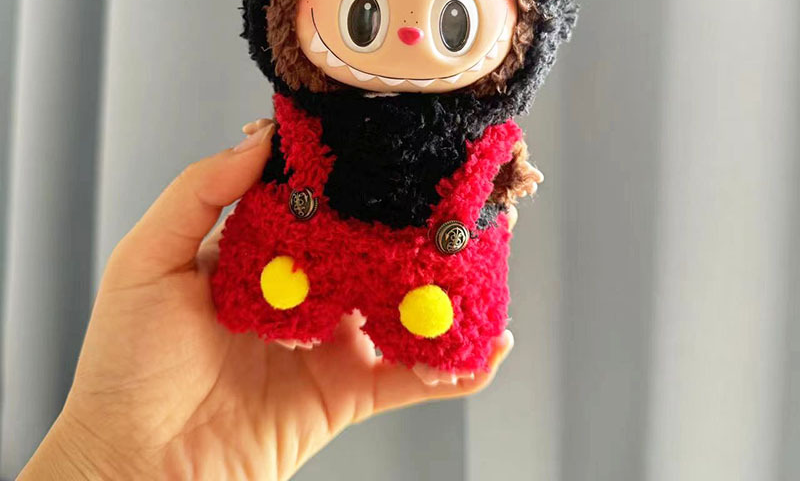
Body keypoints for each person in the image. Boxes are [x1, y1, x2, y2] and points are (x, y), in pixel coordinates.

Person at [19, 120, 513, 480]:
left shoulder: (484, 145)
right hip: (286, 268)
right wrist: (112, 461)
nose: (411, 35)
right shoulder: (299, 131)